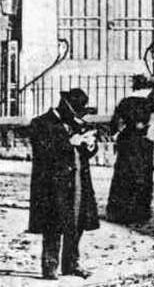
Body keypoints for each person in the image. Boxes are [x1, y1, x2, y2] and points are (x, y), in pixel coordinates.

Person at [29, 89, 101, 280]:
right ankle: (50, 267)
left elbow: (85, 152)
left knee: (77, 223)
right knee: (53, 224)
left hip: (78, 181)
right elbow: (43, 152)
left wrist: (90, 145)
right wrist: (69, 143)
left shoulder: (75, 124)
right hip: (53, 186)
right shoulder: (41, 123)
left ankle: (71, 264)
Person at [106, 75, 154, 224]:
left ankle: (119, 213)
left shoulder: (125, 102)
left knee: (123, 176)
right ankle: (139, 214)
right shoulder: (149, 102)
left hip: (127, 141)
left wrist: (116, 134)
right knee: (142, 177)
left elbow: (115, 122)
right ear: (146, 88)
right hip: (143, 142)